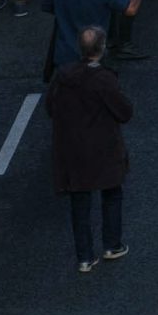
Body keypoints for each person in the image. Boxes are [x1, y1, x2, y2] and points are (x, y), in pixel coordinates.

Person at [48, 27, 133, 273]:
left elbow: (51, 108)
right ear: (102, 48)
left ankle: (85, 257)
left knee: (80, 203)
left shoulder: (63, 76)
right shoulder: (104, 79)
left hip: (72, 151)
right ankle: (112, 244)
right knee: (112, 193)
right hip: (103, 149)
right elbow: (124, 112)